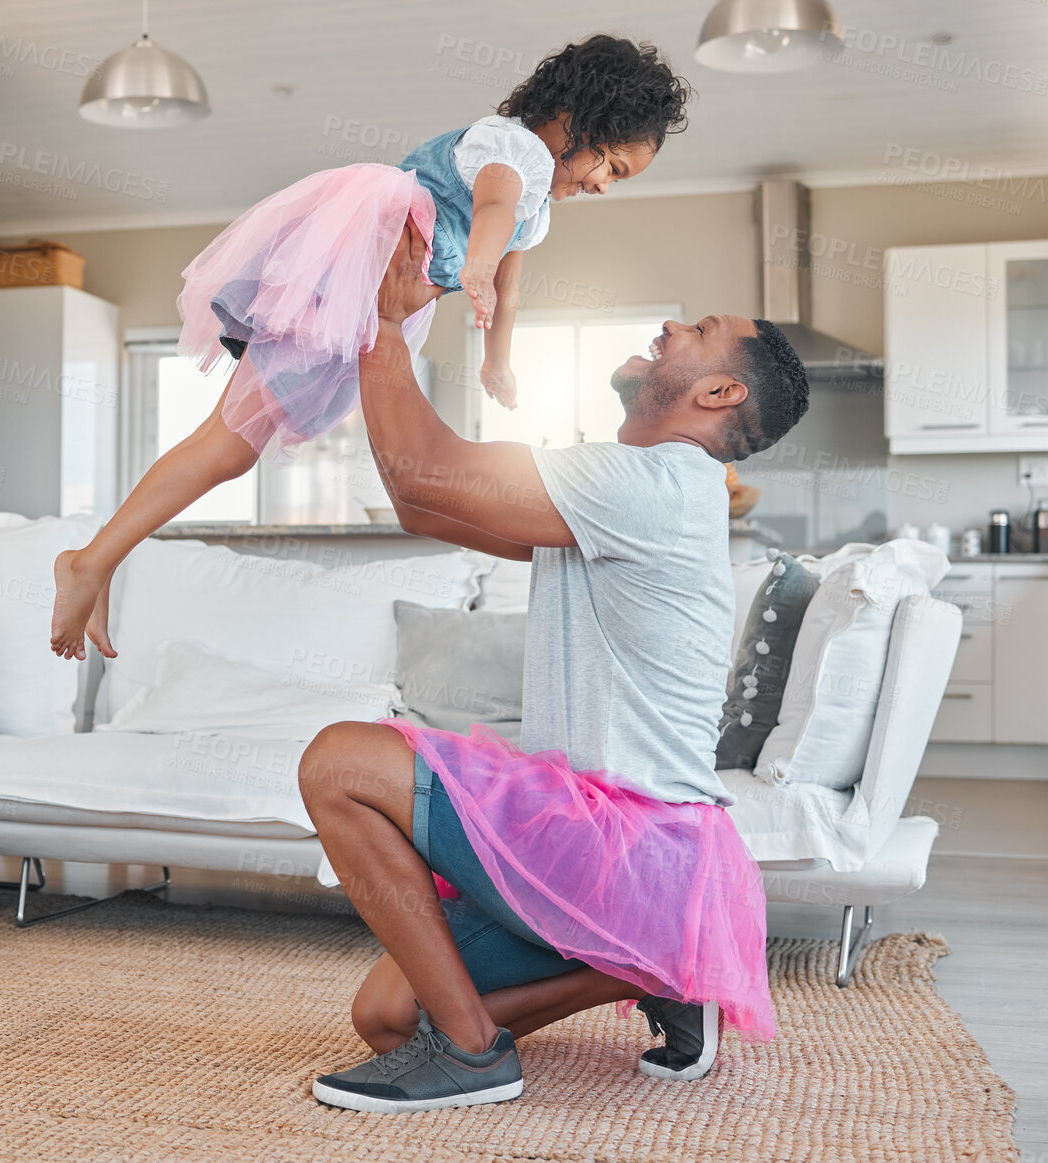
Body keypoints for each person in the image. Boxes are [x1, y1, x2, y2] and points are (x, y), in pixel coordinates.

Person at [297, 224, 810, 1113]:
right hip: (623, 861)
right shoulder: (643, 489)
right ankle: (660, 968)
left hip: (631, 847)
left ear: (721, 390)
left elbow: (426, 470)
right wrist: (385, 330)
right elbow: (420, 500)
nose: (668, 327)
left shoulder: (654, 481)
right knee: (385, 1014)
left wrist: (383, 325)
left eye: (696, 328)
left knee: (339, 761)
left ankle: (469, 1055)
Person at [49, 35, 692, 661]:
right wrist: (474, 265)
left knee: (232, 448)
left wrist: (497, 359)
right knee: (227, 444)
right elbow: (493, 203)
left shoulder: (540, 209)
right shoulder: (512, 147)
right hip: (353, 265)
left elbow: (511, 287)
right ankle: (88, 563)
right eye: (610, 163)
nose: (606, 185)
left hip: (373, 300)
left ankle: (98, 560)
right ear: (573, 120)